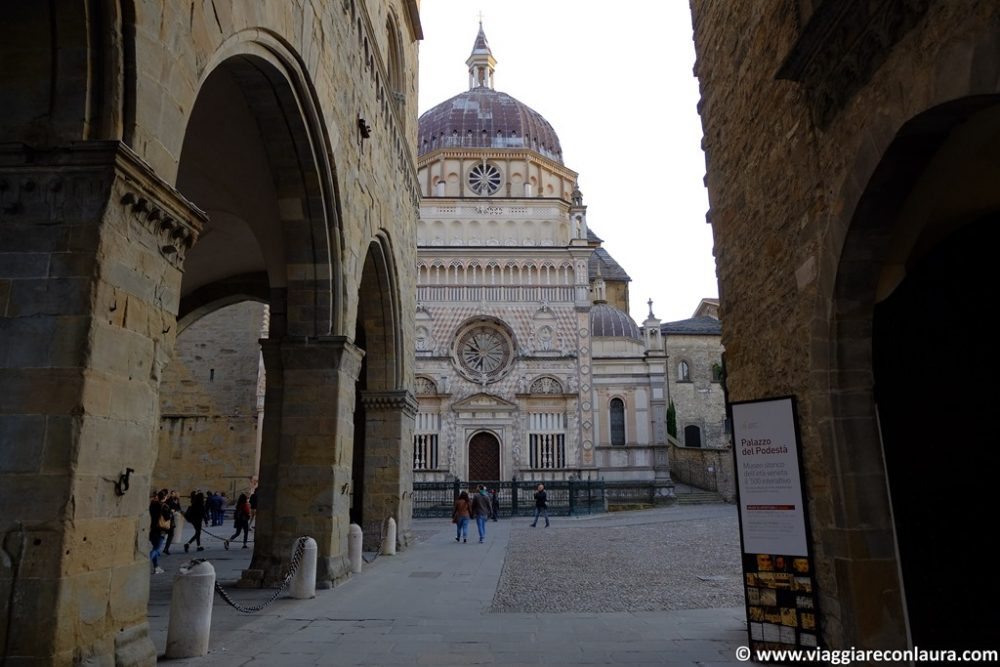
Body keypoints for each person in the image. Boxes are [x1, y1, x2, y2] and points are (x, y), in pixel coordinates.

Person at [148, 490, 170, 574]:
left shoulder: (152, 505)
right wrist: (170, 512)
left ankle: (156, 567)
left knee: (155, 548)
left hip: (152, 529)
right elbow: (167, 517)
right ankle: (147, 560)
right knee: (156, 549)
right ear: (164, 497)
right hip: (161, 530)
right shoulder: (164, 506)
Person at [162, 490, 182, 555]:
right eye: (172, 493)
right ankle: (165, 549)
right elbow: (178, 508)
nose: (173, 494)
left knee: (168, 534)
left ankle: (165, 549)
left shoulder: (169, 500)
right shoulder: (170, 500)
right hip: (169, 520)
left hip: (167, 519)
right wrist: (178, 500)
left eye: (173, 493)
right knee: (170, 534)